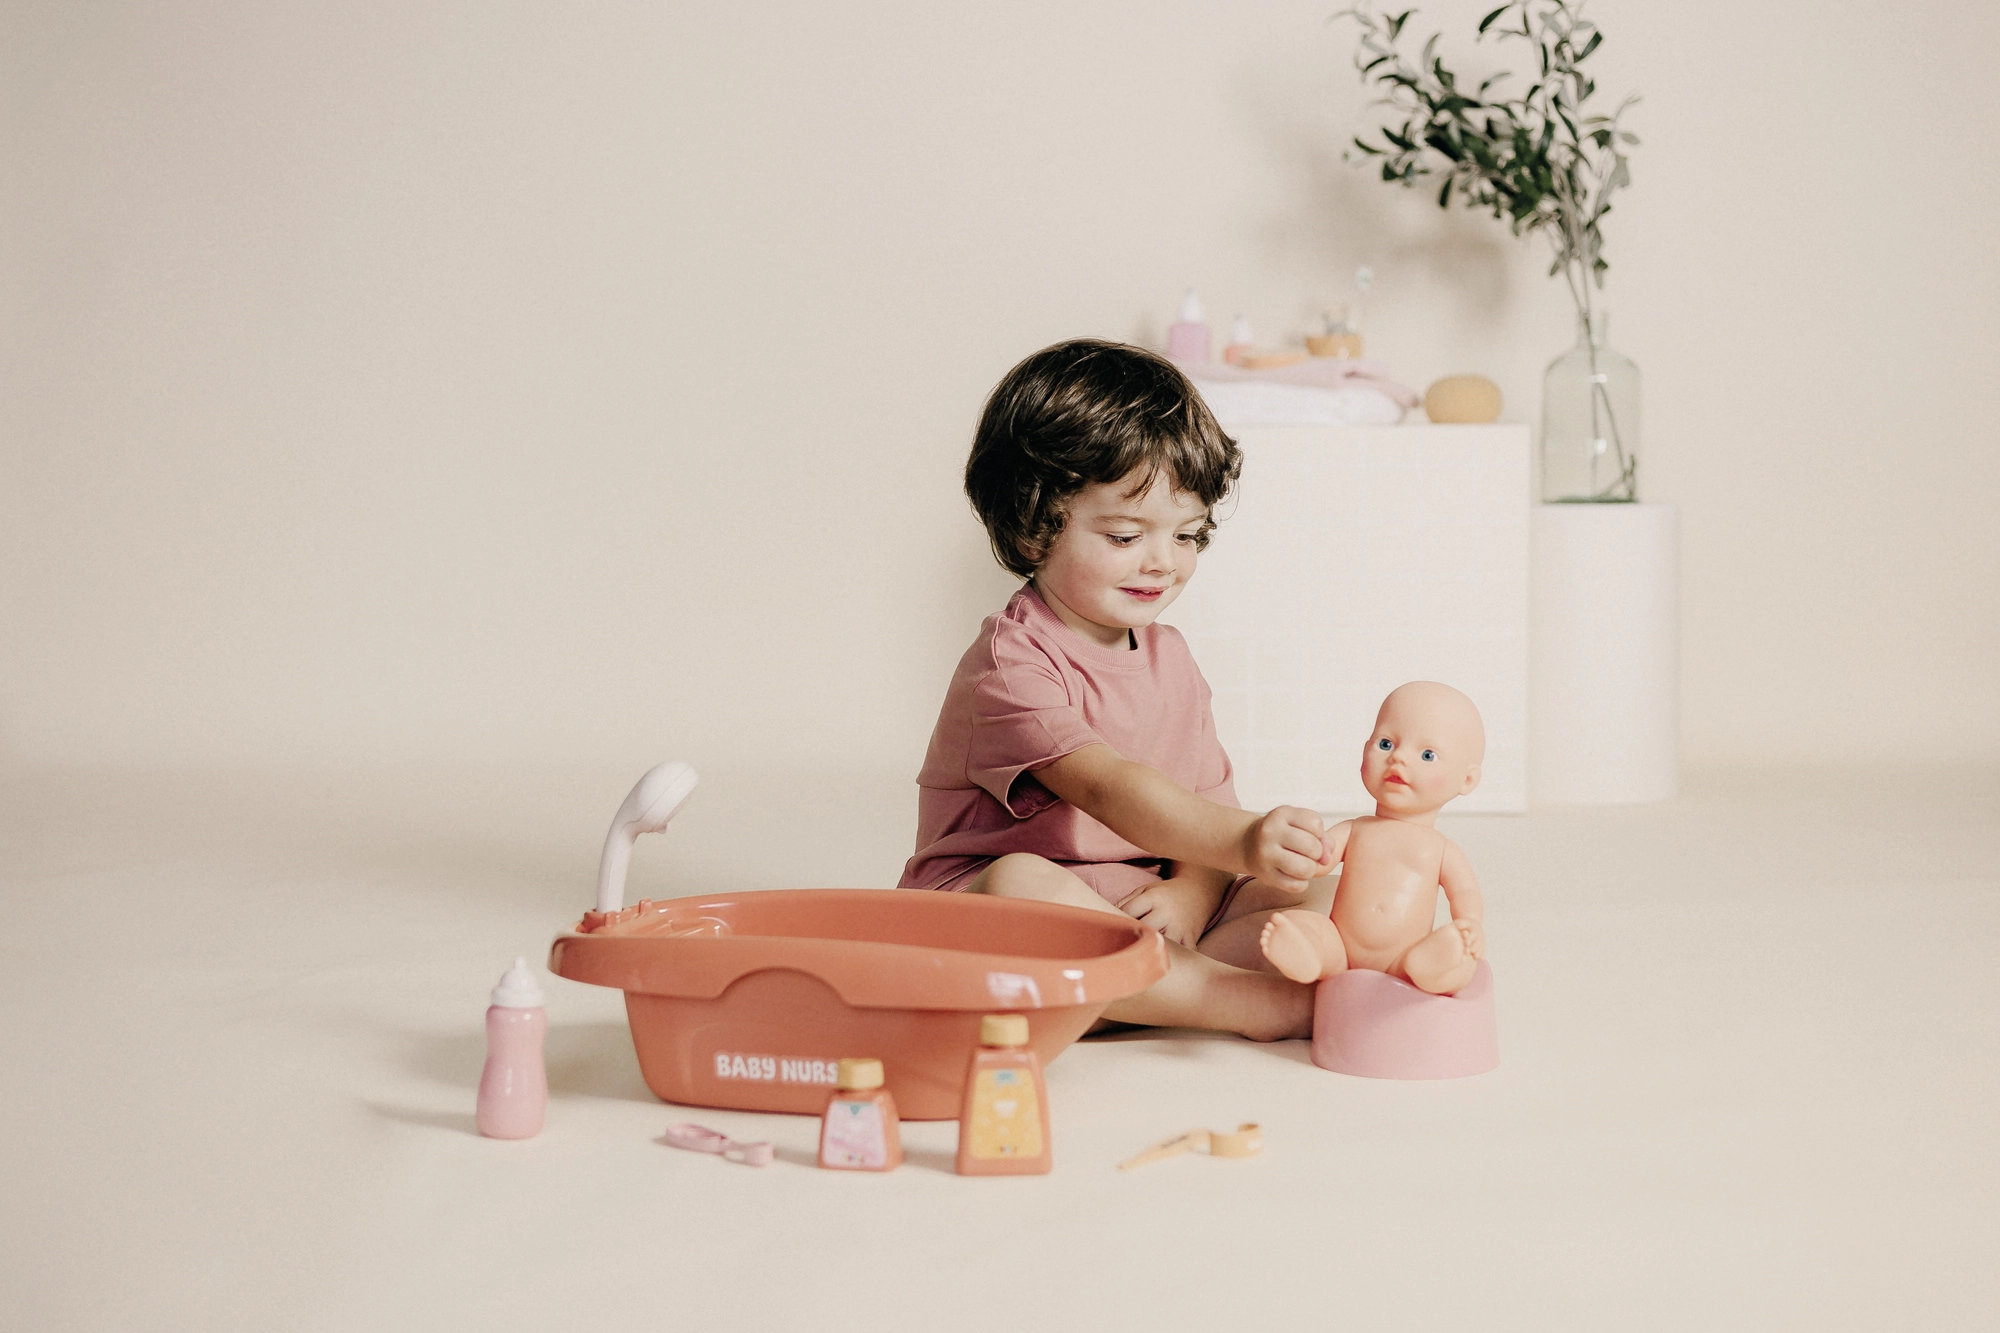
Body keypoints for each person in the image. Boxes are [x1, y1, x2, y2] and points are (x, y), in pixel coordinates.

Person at [898, 339, 1328, 1041]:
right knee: (1020, 882)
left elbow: (1206, 808)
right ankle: (1240, 999)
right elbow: (1111, 788)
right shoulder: (1009, 664)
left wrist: (1191, 895)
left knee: (1325, 884)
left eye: (1186, 535)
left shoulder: (1172, 658)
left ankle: (1159, 988)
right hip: (1006, 930)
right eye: (1126, 536)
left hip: (1139, 919)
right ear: (1034, 526)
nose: (1163, 562)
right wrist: (1247, 839)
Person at [1245, 681, 1487, 995]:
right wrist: (1305, 852)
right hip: (1342, 947)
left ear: (1467, 779)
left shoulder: (1441, 850)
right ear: (1365, 749)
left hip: (1405, 959)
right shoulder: (1355, 830)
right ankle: (1307, 950)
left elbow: (1465, 890)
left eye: (1427, 755)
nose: (1399, 758)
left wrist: (1469, 923)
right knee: (1314, 928)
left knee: (1444, 958)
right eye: (1386, 744)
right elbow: (1321, 861)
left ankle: (1442, 962)